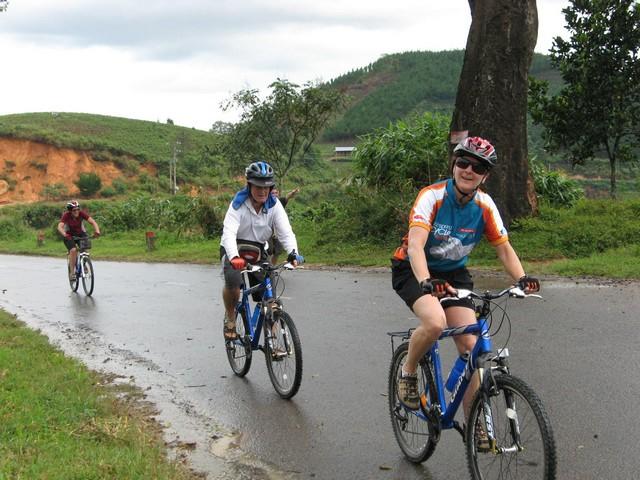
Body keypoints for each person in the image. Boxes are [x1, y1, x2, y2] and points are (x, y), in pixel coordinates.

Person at [391, 136, 540, 418]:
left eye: (478, 167)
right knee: (435, 323)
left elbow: (504, 249)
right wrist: (425, 281)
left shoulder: (484, 205)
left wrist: (522, 278)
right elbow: (415, 246)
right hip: (413, 269)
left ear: (485, 176)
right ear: (454, 165)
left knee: (472, 348)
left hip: (453, 273)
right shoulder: (432, 196)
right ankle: (408, 372)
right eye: (463, 162)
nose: (469, 170)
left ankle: (475, 425)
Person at [220, 161, 304, 340]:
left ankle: (272, 341)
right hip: (234, 248)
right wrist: (233, 256)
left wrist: (293, 253)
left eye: (266, 187)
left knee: (269, 296)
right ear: (249, 185)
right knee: (233, 283)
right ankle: (231, 317)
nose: (262, 191)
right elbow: (229, 232)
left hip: (258, 250)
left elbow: (285, 232)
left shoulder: (274, 205)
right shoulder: (238, 204)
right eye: (258, 186)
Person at [57, 200, 101, 281]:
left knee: (85, 249)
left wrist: (97, 231)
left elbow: (93, 222)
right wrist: (64, 234)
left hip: (80, 234)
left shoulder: (81, 213)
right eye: (74, 210)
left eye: (78, 209)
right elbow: (59, 227)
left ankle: (84, 264)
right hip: (69, 235)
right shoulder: (66, 215)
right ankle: (72, 273)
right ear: (70, 211)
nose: (76, 211)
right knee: (73, 250)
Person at [270, 186, 300, 263]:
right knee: (266, 250)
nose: (275, 194)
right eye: (272, 193)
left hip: (278, 232)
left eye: (276, 193)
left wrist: (293, 192)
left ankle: (272, 266)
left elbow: (288, 196)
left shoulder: (280, 202)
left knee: (277, 252)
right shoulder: (265, 203)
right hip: (267, 231)